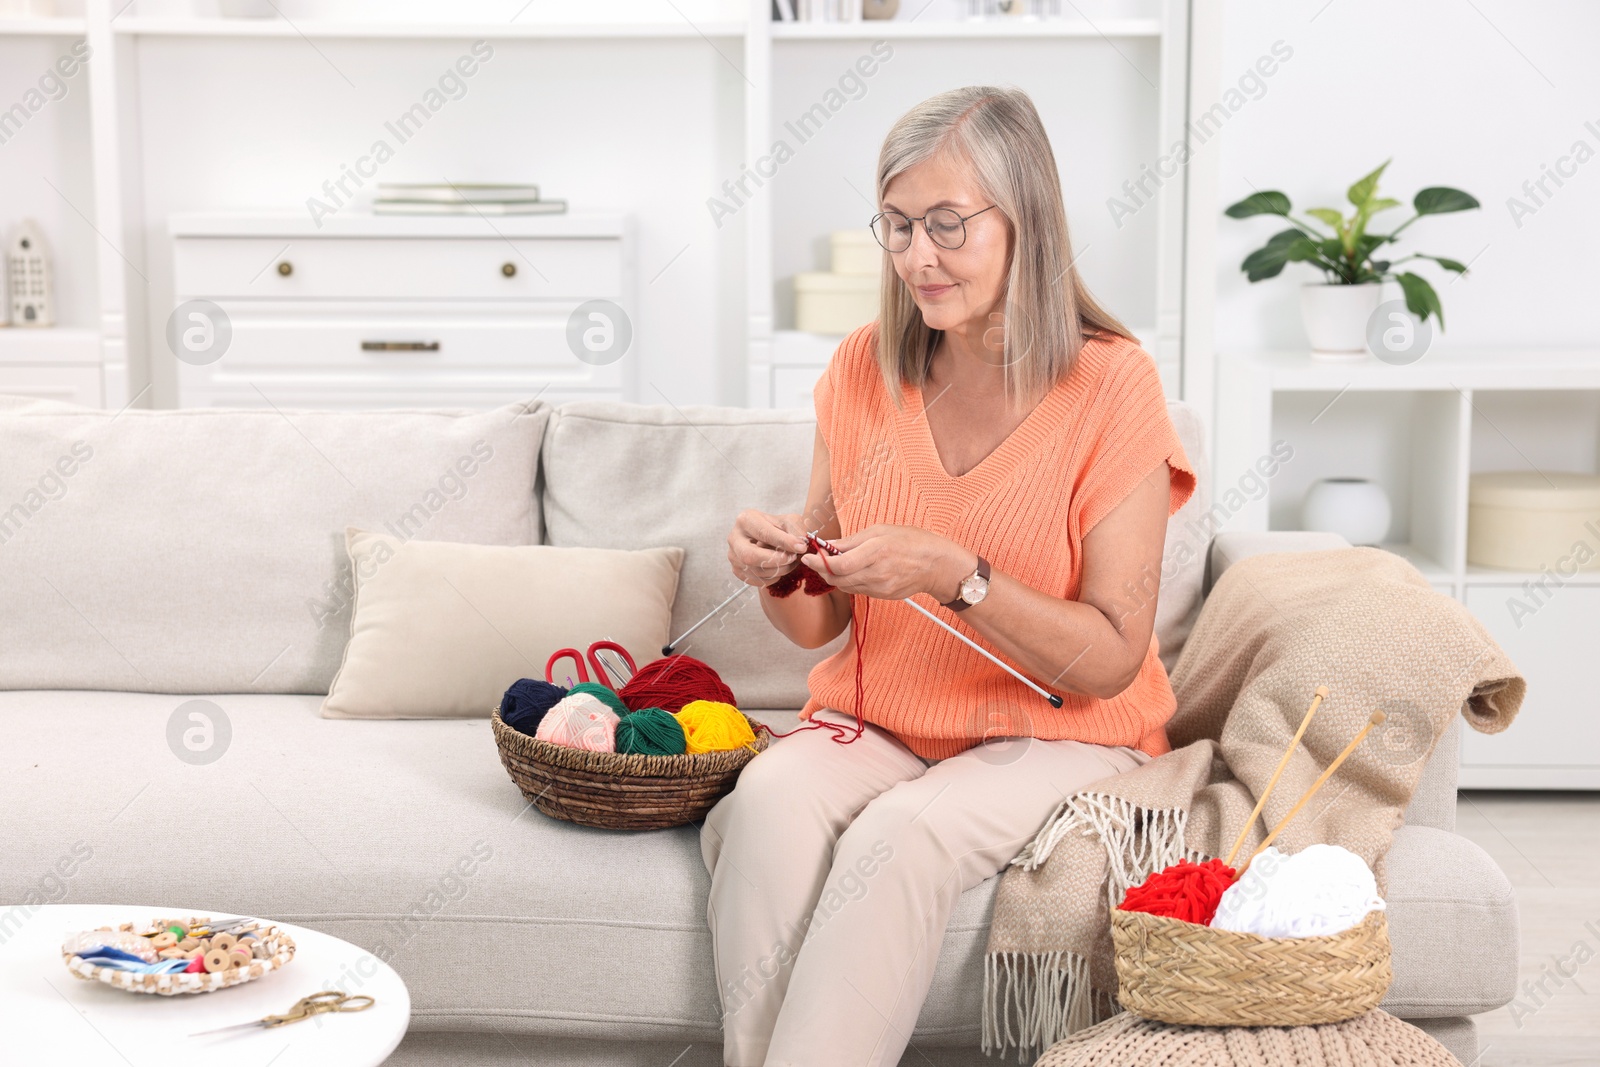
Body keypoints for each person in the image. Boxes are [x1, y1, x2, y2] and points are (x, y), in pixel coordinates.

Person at [705, 85, 1195, 1067]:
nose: (915, 256)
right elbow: (819, 628)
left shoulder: (1112, 384)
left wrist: (957, 575)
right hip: (880, 719)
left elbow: (1107, 658)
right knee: (764, 801)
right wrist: (778, 567)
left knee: (900, 836)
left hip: (1059, 730)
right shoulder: (860, 368)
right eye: (895, 226)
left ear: (1027, 222)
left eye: (945, 225)